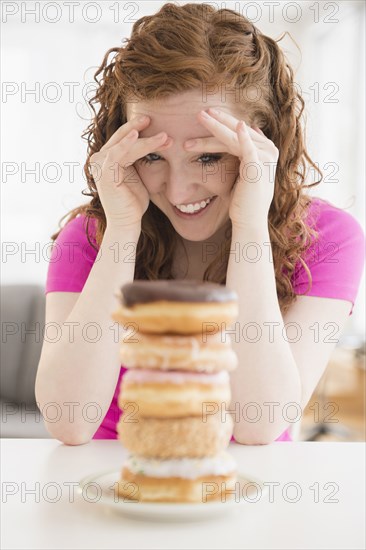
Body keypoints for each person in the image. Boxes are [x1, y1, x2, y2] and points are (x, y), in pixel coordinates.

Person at [35, 3, 365, 446]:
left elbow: (259, 423)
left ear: (264, 144)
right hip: (111, 494)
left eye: (208, 156)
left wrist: (249, 227)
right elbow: (69, 421)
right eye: (152, 155)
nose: (177, 191)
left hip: (246, 497)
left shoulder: (328, 237)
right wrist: (123, 233)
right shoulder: (92, 237)